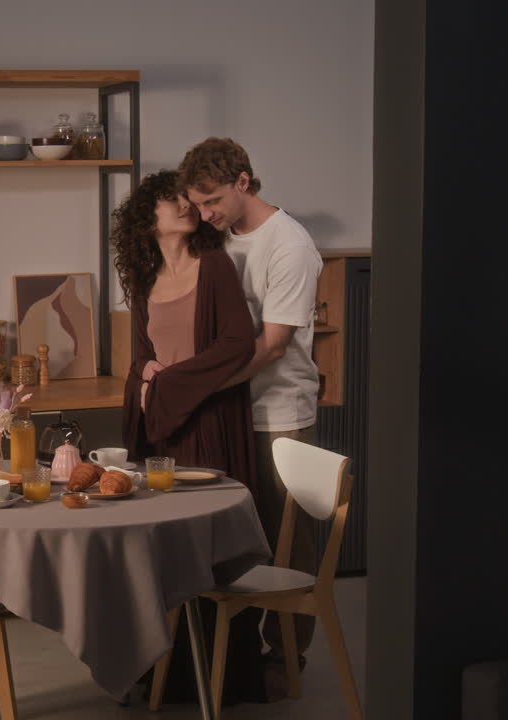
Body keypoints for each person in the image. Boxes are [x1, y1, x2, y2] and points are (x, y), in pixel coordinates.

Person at [178, 137, 324, 696]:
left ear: (243, 181)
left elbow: (272, 346)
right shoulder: (219, 239)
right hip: (231, 412)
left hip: (279, 412)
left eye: (213, 200)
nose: (207, 213)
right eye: (200, 205)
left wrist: (202, 388)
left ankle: (288, 661)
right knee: (235, 537)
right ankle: (230, 658)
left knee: (288, 540)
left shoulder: (289, 245)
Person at [114, 169, 264, 705]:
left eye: (185, 197)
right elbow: (140, 361)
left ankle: (224, 677)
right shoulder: (145, 276)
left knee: (206, 549)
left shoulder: (216, 264)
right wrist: (150, 384)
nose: (183, 205)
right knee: (162, 552)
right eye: (169, 199)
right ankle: (165, 673)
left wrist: (167, 383)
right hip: (164, 436)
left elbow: (236, 344)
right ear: (146, 221)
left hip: (210, 424)